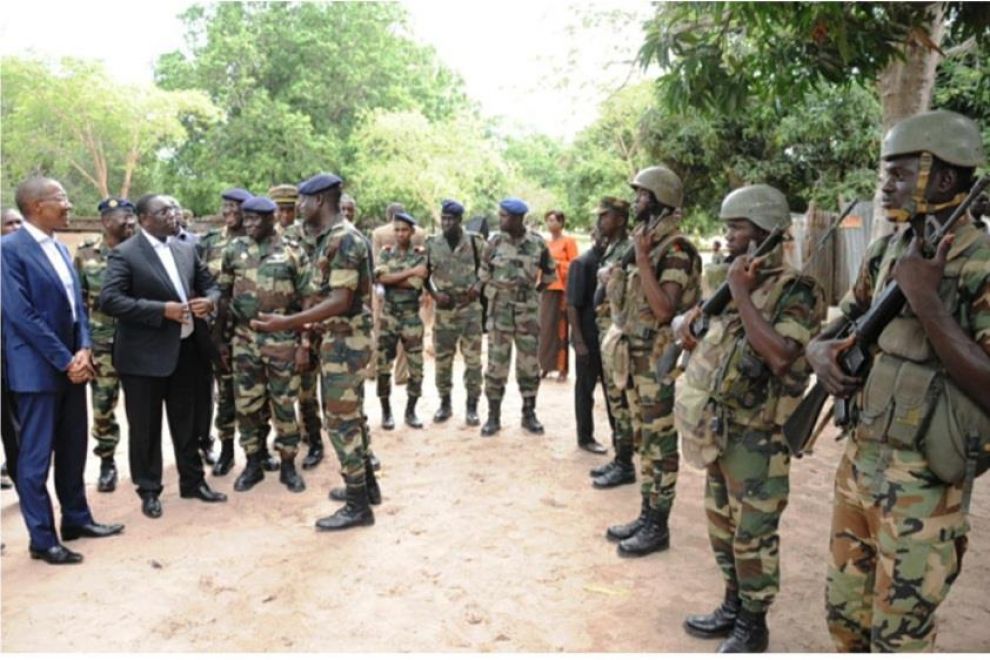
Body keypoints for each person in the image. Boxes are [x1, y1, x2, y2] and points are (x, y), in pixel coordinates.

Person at [805, 110, 990, 652]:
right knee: (845, 620)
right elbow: (842, 323)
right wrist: (819, 352)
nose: (886, 185)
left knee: (900, 638)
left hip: (925, 486)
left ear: (946, 179)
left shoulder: (980, 263)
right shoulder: (888, 249)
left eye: (900, 174)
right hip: (860, 465)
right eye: (887, 172)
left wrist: (927, 300)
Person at [675, 185, 825, 652]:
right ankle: (732, 604)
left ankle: (753, 624)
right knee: (721, 525)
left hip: (760, 436)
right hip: (721, 426)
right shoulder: (733, 284)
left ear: (766, 232)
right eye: (728, 228)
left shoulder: (797, 290)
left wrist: (740, 293)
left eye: (737, 228)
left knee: (753, 533)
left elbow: (782, 355)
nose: (729, 238)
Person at [1, 176, 124, 564]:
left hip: (73, 366)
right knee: (35, 460)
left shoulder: (58, 247)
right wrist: (65, 359)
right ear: (37, 206)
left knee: (73, 449)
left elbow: (78, 307)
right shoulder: (9, 250)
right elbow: (21, 314)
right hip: (37, 372)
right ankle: (42, 539)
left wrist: (84, 347)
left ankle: (76, 519)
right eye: (62, 199)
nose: (69, 205)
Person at [252, 173, 380, 531]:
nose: (298, 207)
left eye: (303, 200)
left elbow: (340, 300)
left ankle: (358, 506)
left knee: (341, 422)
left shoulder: (344, 239)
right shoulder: (328, 237)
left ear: (319, 201)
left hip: (346, 342)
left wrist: (287, 322)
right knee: (351, 417)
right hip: (338, 340)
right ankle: (367, 488)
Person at [100, 193, 228, 518]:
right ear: (144, 219)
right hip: (143, 358)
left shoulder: (185, 248)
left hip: (185, 351)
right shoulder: (125, 254)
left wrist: (210, 301)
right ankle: (149, 490)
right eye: (163, 211)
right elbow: (110, 300)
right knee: (145, 428)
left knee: (188, 422)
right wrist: (161, 310)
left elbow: (211, 285)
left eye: (173, 209)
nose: (172, 215)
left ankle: (193, 481)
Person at [602, 165, 702, 557]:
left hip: (656, 361)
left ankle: (658, 525)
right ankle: (647, 515)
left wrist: (642, 259)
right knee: (645, 441)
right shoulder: (646, 242)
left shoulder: (675, 250)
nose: (636, 201)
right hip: (634, 358)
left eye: (642, 194)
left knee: (660, 443)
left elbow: (664, 309)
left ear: (660, 199)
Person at [218, 196, 309, 493]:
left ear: (272, 218)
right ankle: (253, 463)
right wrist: (222, 341)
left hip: (283, 340)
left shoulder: (292, 251)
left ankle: (288, 464)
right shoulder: (234, 250)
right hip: (244, 340)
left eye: (256, 218)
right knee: (247, 405)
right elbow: (224, 296)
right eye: (246, 218)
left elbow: (307, 301)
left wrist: (304, 343)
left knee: (284, 403)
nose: (249, 223)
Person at [199, 187, 279, 475]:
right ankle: (226, 450)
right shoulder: (209, 242)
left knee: (260, 395)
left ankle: (260, 448)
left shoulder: (263, 242)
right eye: (226, 207)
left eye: (236, 208)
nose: (229, 212)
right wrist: (216, 337)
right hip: (222, 332)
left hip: (254, 332)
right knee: (226, 394)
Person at [479, 197, 557, 436]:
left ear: (518, 218)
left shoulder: (537, 243)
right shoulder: (493, 243)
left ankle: (529, 413)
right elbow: (483, 274)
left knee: (529, 365)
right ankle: (493, 416)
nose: (500, 219)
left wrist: (532, 293)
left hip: (527, 315)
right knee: (496, 365)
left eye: (504, 216)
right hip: (499, 313)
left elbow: (549, 275)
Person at [74, 197, 137, 492]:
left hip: (138, 343)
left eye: (132, 216)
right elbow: (77, 303)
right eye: (124, 217)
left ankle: (142, 463)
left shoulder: (140, 251)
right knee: (102, 407)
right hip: (102, 344)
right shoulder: (86, 253)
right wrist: (83, 344)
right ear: (106, 222)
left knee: (141, 407)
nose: (130, 222)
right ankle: (107, 462)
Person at [588, 197, 636, 487]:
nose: (599, 221)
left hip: (618, 333)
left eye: (605, 216)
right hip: (606, 331)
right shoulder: (612, 249)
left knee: (620, 401)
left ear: (619, 219)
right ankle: (621, 458)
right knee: (613, 400)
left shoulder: (629, 249)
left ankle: (625, 463)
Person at [426, 199, 485, 426]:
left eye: (450, 219)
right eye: (443, 218)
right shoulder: (432, 243)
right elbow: (424, 274)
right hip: (445, 310)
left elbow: (487, 269)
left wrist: (478, 287)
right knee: (443, 359)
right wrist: (434, 294)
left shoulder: (475, 242)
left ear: (460, 220)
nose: (446, 223)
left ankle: (472, 406)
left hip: (470, 309)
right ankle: (445, 403)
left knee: (473, 361)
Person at [375, 211, 427, 429]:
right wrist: (410, 272)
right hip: (388, 317)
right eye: (396, 230)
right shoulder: (385, 253)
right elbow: (380, 278)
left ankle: (410, 411)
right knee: (383, 367)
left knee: (416, 368)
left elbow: (416, 284)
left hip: (411, 318)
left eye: (404, 230)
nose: (400, 234)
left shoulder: (420, 255)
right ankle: (386, 412)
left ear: (412, 232)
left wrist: (393, 279)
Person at [566, 222, 610, 454]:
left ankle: (621, 437)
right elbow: (572, 305)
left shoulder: (613, 263)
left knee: (614, 391)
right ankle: (585, 437)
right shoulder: (582, 263)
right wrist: (579, 342)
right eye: (600, 235)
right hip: (588, 337)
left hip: (609, 338)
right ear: (593, 235)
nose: (604, 240)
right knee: (585, 389)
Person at [1, 207, 25, 491]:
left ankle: (24, 486)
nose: (17, 227)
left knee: (16, 428)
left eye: (20, 222)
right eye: (10, 223)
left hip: (14, 362)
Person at [539, 210, 579, 381]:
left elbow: (575, 265)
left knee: (560, 328)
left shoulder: (568, 242)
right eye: (548, 220)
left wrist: (558, 264)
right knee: (545, 328)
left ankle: (562, 368)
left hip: (561, 288)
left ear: (561, 223)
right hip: (546, 287)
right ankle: (546, 365)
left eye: (553, 220)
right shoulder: (545, 243)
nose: (550, 224)